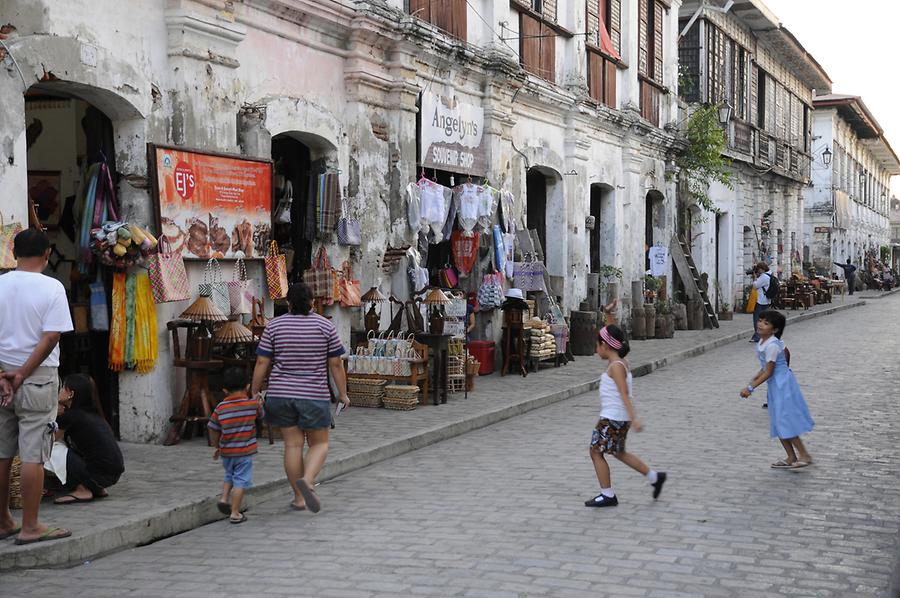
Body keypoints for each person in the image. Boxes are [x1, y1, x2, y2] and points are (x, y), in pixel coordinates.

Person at [0, 229, 73, 545]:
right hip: (37, 377)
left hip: (3, 378)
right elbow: (51, 336)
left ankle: (3, 520)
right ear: (47, 255)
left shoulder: (0, 284)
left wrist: (5, 375)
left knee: (2, 452)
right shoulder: (52, 287)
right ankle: (30, 526)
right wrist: (22, 374)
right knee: (33, 454)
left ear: (14, 253)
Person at [251, 282, 349, 513]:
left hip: (280, 395)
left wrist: (254, 391)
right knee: (320, 444)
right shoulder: (325, 326)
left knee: (293, 445)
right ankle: (308, 479)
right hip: (313, 395)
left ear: (288, 303)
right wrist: (343, 393)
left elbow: (262, 361)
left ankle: (299, 498)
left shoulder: (274, 326)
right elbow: (336, 363)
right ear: (313, 302)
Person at [585, 325, 666, 507]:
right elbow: (612, 334)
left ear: (604, 346)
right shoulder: (621, 361)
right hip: (618, 418)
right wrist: (609, 316)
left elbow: (624, 392)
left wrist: (634, 417)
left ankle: (607, 494)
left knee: (595, 451)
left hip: (611, 418)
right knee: (619, 452)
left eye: (597, 346)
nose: (596, 350)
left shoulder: (616, 367)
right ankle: (654, 477)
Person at [740, 310, 814, 469]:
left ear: (774, 330)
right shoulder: (762, 343)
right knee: (778, 420)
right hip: (775, 386)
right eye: (760, 320)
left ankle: (804, 455)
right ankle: (791, 456)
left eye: (766, 323)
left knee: (785, 420)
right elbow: (764, 368)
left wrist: (751, 387)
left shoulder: (772, 345)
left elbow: (769, 371)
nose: (760, 324)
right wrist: (753, 379)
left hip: (782, 385)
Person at [52, 374, 124, 504]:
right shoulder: (92, 414)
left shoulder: (72, 416)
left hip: (98, 473)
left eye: (63, 387)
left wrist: (52, 412)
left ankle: (83, 489)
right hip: (112, 473)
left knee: (50, 449)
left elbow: (49, 440)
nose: (59, 390)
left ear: (70, 394)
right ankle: (95, 487)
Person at [208, 367, 261, 524]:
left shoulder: (220, 408)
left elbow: (212, 427)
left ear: (225, 390)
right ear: (247, 386)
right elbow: (262, 415)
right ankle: (235, 512)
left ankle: (224, 498)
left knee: (229, 475)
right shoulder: (252, 405)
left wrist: (216, 446)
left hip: (226, 451)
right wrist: (259, 402)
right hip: (244, 452)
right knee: (241, 481)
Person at [749, 261, 773, 342]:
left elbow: (755, 286)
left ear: (762, 269)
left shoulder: (764, 276)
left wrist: (755, 278)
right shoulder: (769, 275)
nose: (758, 271)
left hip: (760, 301)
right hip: (766, 301)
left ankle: (757, 336)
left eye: (758, 269)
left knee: (757, 319)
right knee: (764, 319)